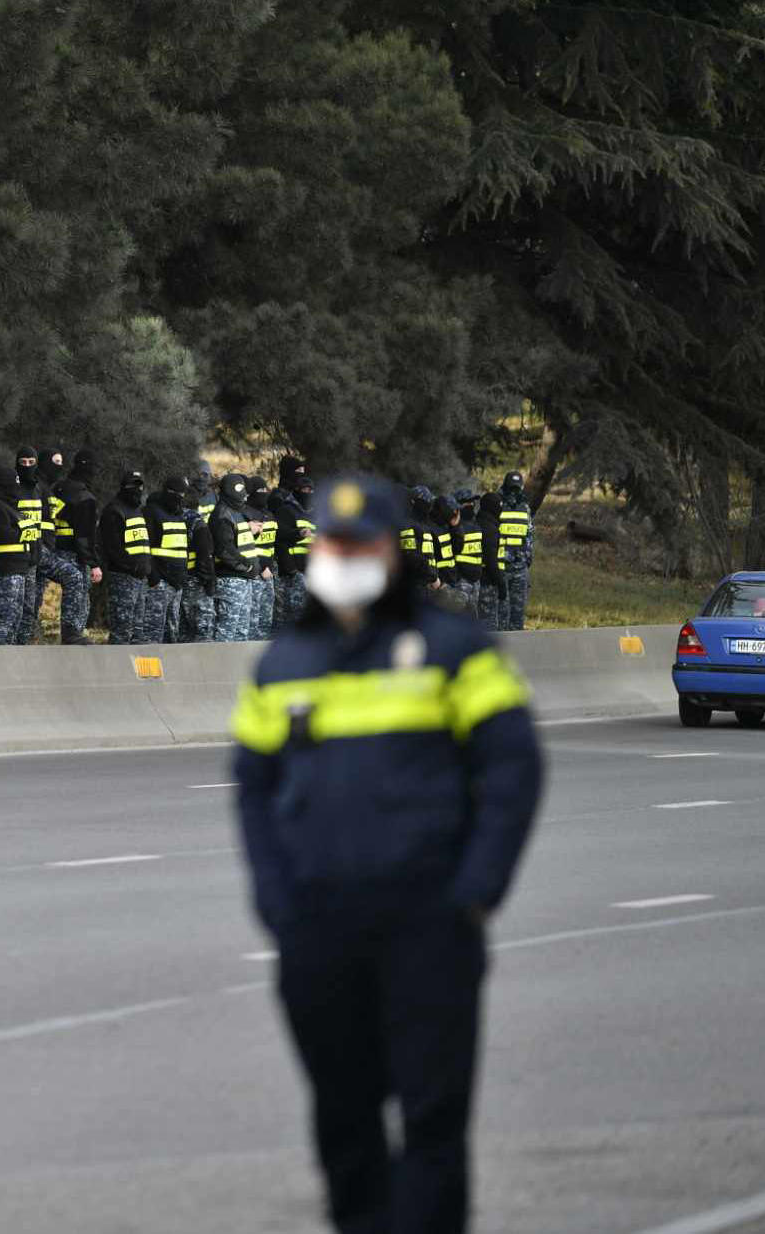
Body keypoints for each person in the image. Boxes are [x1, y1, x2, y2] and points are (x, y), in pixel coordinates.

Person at [232, 474, 542, 1234]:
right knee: (343, 1118)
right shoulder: (283, 664)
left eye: (360, 544)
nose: (343, 558)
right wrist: (277, 904)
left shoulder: (455, 649)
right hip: (319, 931)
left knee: (432, 1116)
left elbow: (512, 770)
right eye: (331, 544)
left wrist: (476, 890)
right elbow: (252, 794)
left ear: (392, 550)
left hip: (428, 924)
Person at [46, 449, 101, 644]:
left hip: (52, 549)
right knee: (80, 595)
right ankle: (73, 635)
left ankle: (71, 635)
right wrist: (94, 563)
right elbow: (84, 536)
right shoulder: (84, 497)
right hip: (75, 555)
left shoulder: (56, 488)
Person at [99, 469, 152, 644]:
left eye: (140, 485)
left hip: (140, 579)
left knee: (138, 632)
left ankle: (136, 671)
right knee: (122, 631)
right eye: (132, 485)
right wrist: (133, 566)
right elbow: (112, 547)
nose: (137, 489)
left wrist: (146, 567)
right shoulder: (114, 510)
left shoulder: (138, 509)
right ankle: (114, 671)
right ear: (124, 487)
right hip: (122, 578)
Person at [0, 464, 34, 645]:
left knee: (15, 620)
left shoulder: (11, 507)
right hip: (6, 571)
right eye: (13, 484)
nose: (17, 489)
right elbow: (4, 534)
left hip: (20, 569)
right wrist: (24, 531)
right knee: (2, 620)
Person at [210, 473, 259, 642]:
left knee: (241, 633)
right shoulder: (222, 514)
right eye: (238, 490)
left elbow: (241, 542)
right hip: (230, 581)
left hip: (244, 580)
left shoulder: (236, 512)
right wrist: (248, 566)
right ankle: (218, 668)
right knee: (226, 632)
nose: (243, 495)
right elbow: (224, 550)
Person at [143, 476, 190, 644]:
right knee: (152, 633)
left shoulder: (178, 514)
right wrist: (154, 577)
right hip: (159, 583)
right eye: (176, 493)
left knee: (172, 634)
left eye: (182, 494)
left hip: (176, 584)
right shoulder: (151, 512)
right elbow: (145, 547)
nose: (179, 497)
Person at [272, 458, 316, 628]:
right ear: (297, 491)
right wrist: (291, 569)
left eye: (311, 490)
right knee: (293, 617)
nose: (308, 493)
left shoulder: (316, 513)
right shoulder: (285, 510)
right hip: (295, 573)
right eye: (304, 490)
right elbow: (280, 540)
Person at [14, 447, 48, 640]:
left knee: (30, 605)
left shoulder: (39, 489)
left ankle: (24, 645)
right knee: (17, 605)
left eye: (30, 463)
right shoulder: (13, 487)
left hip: (35, 553)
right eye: (23, 463)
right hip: (17, 554)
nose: (26, 466)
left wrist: (44, 546)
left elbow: (45, 520)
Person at [496, 472, 533, 631]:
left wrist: (527, 557)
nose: (514, 492)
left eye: (516, 489)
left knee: (518, 614)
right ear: (504, 487)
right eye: (511, 488)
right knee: (501, 613)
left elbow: (529, 534)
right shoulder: (496, 505)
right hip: (501, 567)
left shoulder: (525, 507)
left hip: (520, 567)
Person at [183, 478, 218, 643]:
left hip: (180, 580)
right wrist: (210, 583)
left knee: (182, 633)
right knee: (203, 632)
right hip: (197, 582)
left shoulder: (174, 519)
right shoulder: (198, 524)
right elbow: (205, 556)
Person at [245, 475, 278, 640]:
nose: (264, 493)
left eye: (266, 490)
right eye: (260, 491)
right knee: (252, 617)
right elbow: (247, 546)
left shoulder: (269, 514)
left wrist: (270, 568)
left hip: (269, 573)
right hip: (255, 572)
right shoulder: (245, 514)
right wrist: (261, 568)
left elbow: (271, 545)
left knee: (266, 619)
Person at [477, 492, 507, 632]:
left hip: (481, 580)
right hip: (488, 581)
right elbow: (491, 559)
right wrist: (501, 583)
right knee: (489, 624)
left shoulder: (479, 523)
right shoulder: (490, 529)